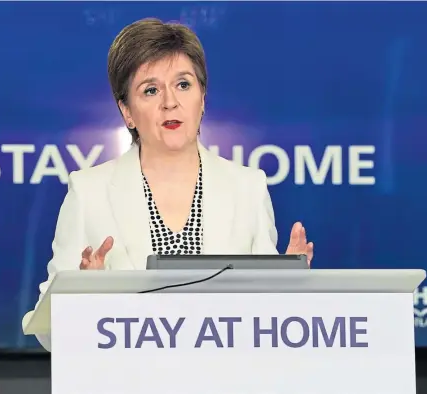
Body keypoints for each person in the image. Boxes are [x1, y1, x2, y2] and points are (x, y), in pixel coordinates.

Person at [23, 18, 314, 351]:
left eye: (183, 85)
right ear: (127, 112)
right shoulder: (89, 191)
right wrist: (81, 296)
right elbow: (47, 331)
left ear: (202, 98)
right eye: (150, 90)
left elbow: (268, 326)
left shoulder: (247, 187)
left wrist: (289, 286)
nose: (169, 102)